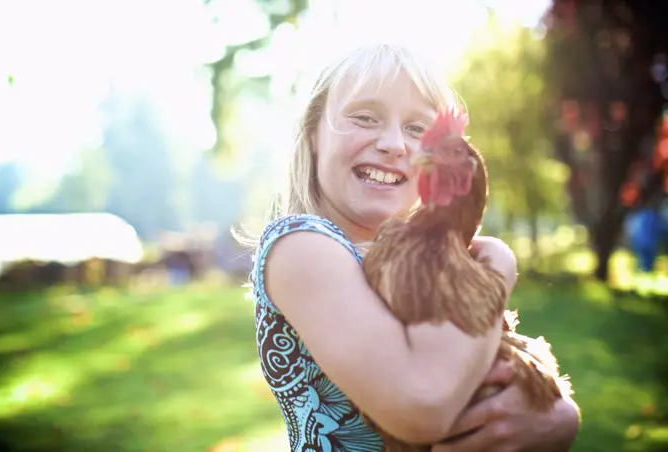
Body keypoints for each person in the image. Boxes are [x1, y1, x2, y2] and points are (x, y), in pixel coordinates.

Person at [239, 43, 581, 451]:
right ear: (313, 134)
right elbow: (424, 407)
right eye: (365, 118)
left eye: (418, 129)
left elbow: (494, 367)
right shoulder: (301, 247)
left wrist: (560, 417)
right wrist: (497, 273)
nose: (394, 144)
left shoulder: (436, 263)